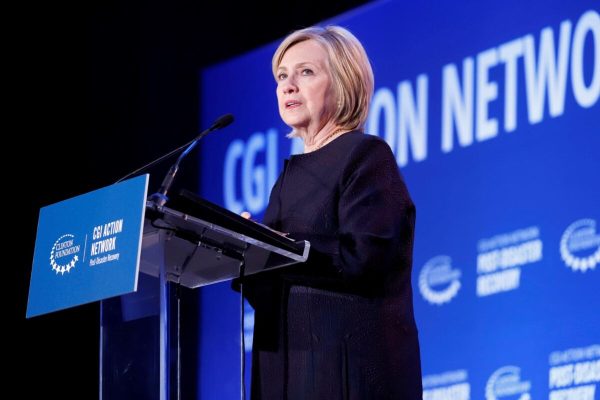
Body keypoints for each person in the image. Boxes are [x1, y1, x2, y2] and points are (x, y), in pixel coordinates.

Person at [241, 25, 422, 400]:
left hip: (348, 377)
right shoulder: (285, 181)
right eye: (281, 76)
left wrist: (277, 247)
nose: (288, 86)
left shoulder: (366, 156)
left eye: (306, 72)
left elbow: (363, 258)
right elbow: (278, 291)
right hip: (286, 376)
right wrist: (241, 252)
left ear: (343, 83)